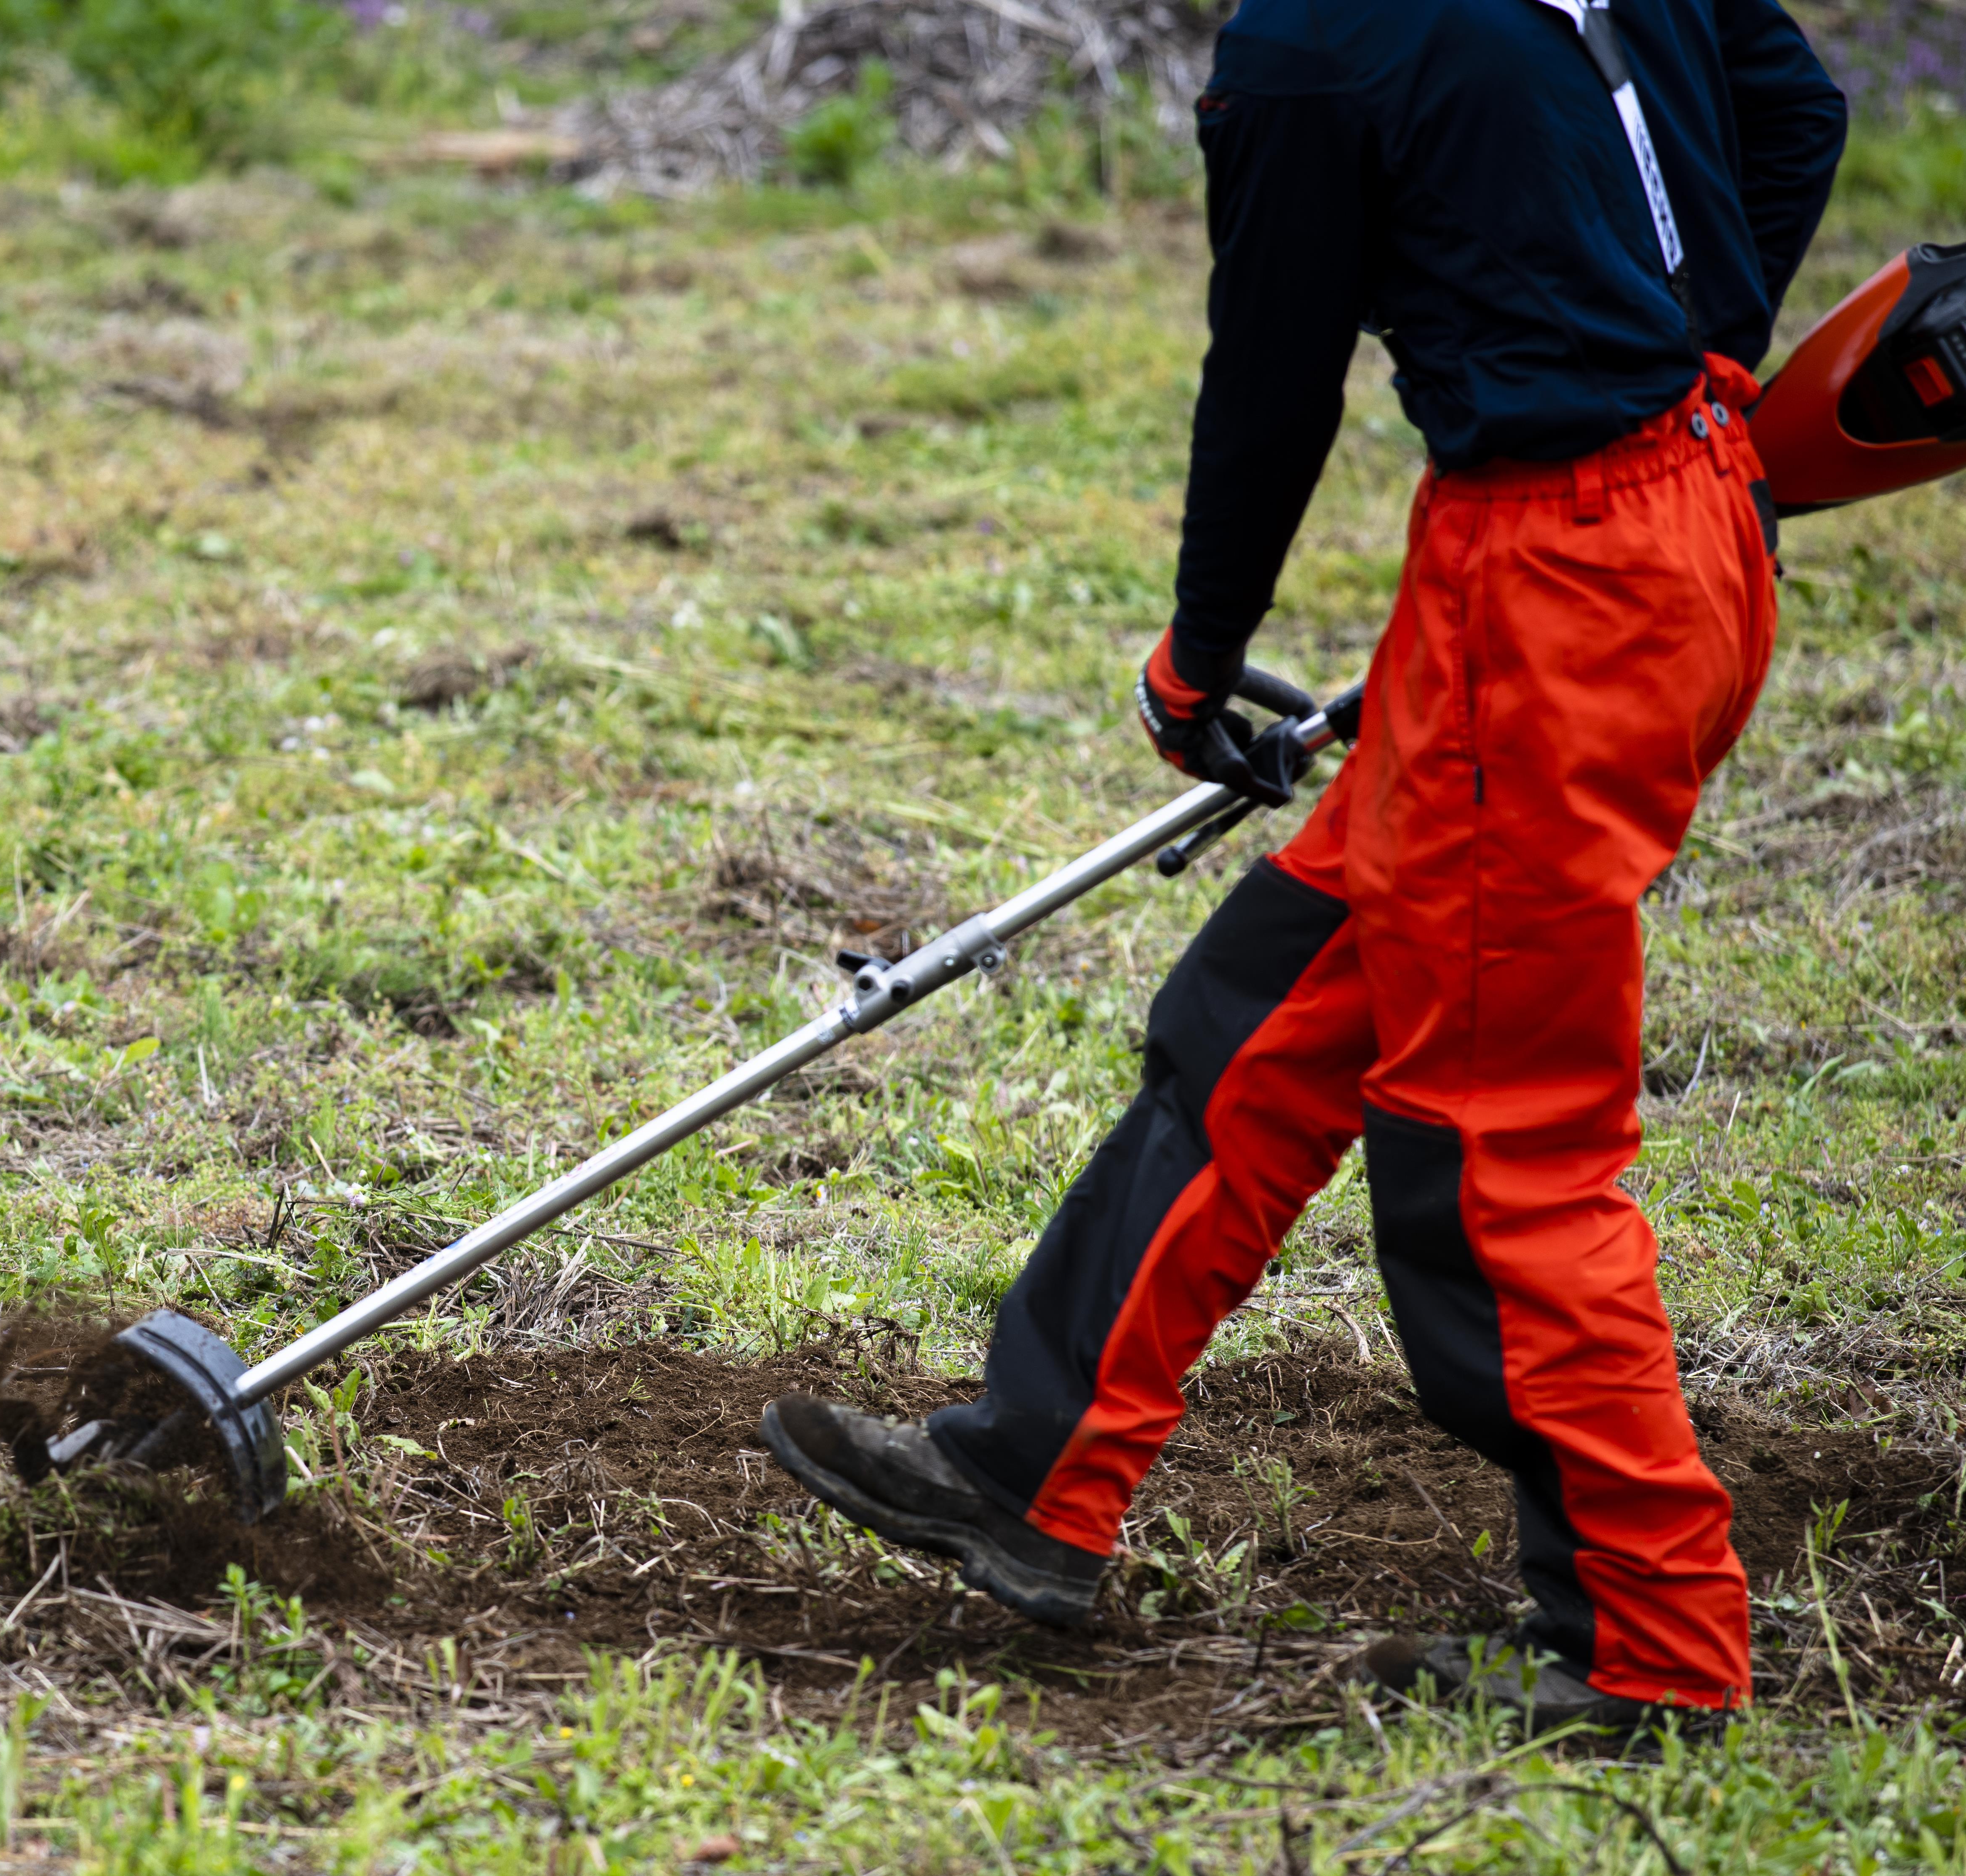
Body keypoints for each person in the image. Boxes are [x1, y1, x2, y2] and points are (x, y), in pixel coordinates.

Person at [762, 0, 1848, 1738]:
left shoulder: (1317, 36)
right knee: (1265, 1015)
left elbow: (1273, 367)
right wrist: (1675, 363)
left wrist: (1199, 655)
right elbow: (1794, 110)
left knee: (1496, 1156)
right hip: (1663, 520)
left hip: (1564, 593)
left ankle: (1656, 1646)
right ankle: (1033, 1471)